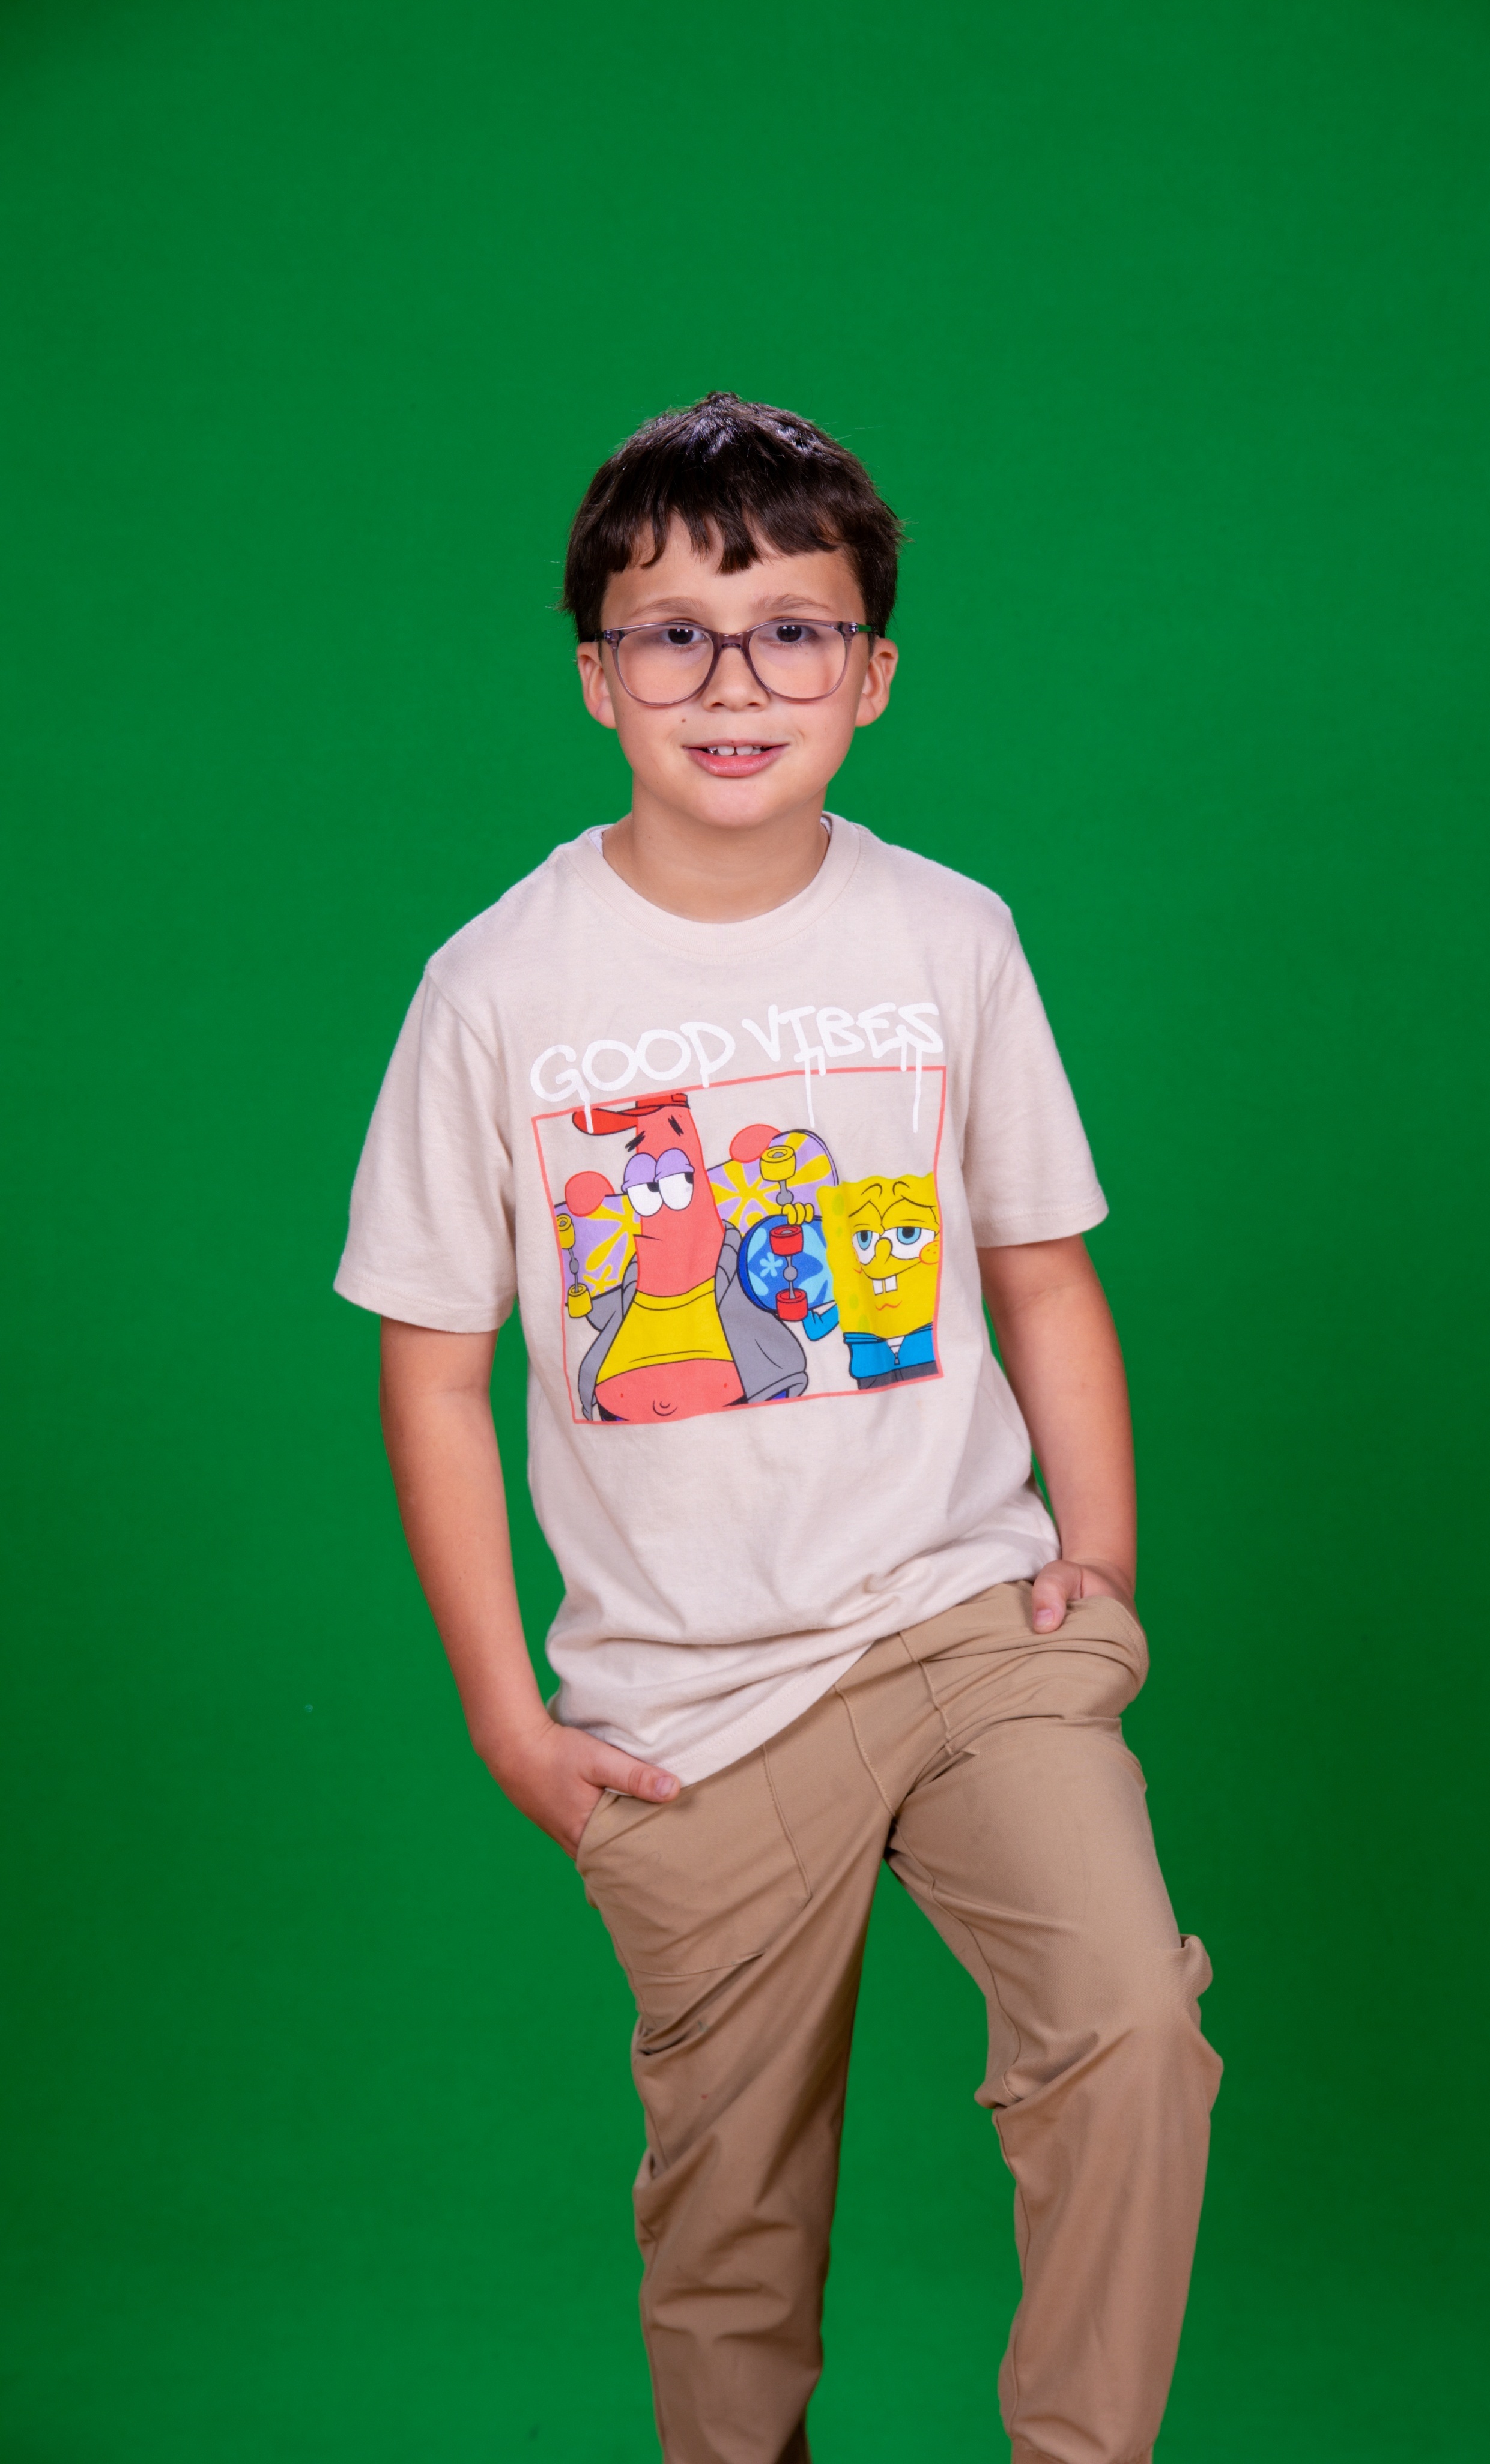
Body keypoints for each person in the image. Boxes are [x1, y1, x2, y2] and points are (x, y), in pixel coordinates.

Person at [335, 393, 1220, 2464]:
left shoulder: (949, 937)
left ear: (871, 673)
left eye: (792, 632)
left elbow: (1043, 1271)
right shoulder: (497, 988)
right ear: (598, 676)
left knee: (1131, 2028)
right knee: (732, 2224)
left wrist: (1096, 1563)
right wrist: (508, 1719)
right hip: (688, 1710)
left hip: (963, 1623)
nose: (734, 684)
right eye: (675, 635)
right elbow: (431, 1370)